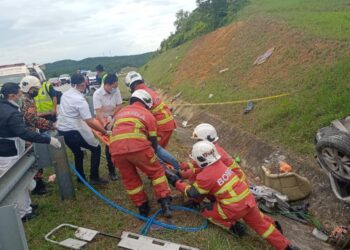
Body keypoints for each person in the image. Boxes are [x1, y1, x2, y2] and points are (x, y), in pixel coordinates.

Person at [165, 141, 298, 250]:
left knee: (206, 209)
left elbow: (192, 192)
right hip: (248, 201)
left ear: (200, 159)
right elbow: (197, 168)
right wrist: (182, 172)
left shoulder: (206, 176)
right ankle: (286, 246)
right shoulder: (219, 164)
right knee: (263, 226)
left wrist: (176, 182)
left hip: (233, 209)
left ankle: (234, 227)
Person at [0, 82, 61, 221]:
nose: (21, 96)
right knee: (17, 185)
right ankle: (24, 213)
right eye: (18, 94)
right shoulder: (11, 113)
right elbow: (24, 133)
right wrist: (48, 140)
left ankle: (28, 206)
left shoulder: (4, 107)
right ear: (11, 95)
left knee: (22, 181)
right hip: (9, 152)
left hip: (7, 150)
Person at [109, 89, 172, 218]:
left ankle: (142, 207)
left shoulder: (120, 113)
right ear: (147, 103)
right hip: (138, 147)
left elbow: (113, 130)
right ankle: (165, 203)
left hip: (116, 150)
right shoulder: (147, 115)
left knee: (130, 179)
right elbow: (153, 141)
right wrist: (153, 156)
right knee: (156, 172)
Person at [57, 73, 109, 185]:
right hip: (73, 131)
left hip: (62, 130)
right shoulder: (79, 100)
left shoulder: (65, 94)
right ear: (82, 84)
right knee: (96, 148)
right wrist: (104, 131)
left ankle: (80, 178)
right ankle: (94, 177)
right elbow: (89, 121)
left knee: (78, 152)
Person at [20, 75, 57, 195]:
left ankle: (39, 185)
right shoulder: (26, 101)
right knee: (35, 161)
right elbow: (33, 120)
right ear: (29, 89)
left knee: (35, 161)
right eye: (35, 89)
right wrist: (50, 124)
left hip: (27, 134)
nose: (37, 91)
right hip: (27, 136)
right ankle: (38, 188)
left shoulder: (25, 99)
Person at [124, 71, 176, 148]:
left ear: (130, 86)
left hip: (161, 126)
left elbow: (139, 115)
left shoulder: (139, 94)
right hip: (168, 123)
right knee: (159, 150)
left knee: (154, 151)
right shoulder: (148, 90)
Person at [180, 123, 247, 183]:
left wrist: (187, 173)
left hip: (236, 182)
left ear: (205, 139)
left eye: (198, 140)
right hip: (237, 180)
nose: (197, 142)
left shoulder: (211, 152)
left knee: (205, 180)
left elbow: (205, 170)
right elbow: (199, 165)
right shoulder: (213, 149)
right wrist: (188, 166)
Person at [93, 73, 123, 181]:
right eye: (113, 87)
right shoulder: (97, 94)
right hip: (102, 118)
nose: (115, 89)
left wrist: (112, 116)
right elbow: (99, 112)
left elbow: (119, 105)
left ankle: (122, 164)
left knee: (121, 140)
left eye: (116, 86)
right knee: (109, 143)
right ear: (106, 85)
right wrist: (106, 126)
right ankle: (111, 170)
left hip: (114, 115)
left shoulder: (116, 91)